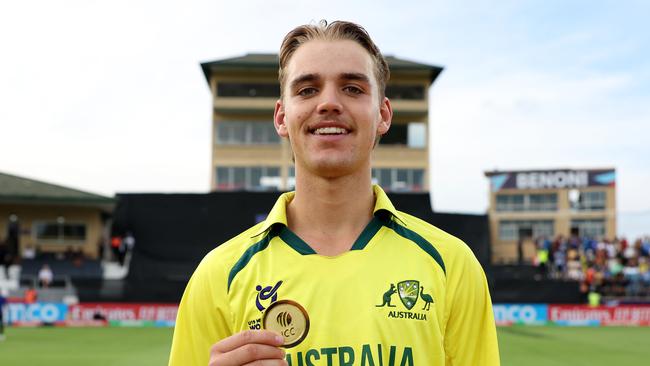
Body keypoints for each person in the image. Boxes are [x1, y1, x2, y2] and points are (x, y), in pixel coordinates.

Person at [169, 20, 500, 366]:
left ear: (383, 115)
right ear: (282, 118)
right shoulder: (219, 275)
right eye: (307, 90)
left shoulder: (451, 265)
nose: (328, 103)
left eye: (353, 89)